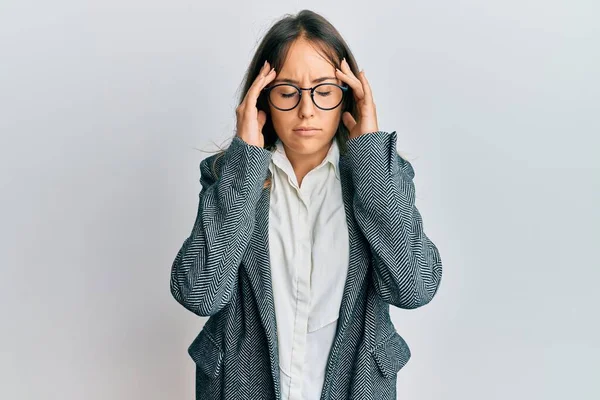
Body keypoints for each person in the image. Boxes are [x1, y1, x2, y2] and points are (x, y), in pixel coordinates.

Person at [170, 9, 443, 400]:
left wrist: (370, 160)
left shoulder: (380, 177)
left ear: (347, 96)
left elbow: (414, 288)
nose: (307, 109)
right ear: (261, 98)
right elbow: (199, 293)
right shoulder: (230, 176)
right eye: (287, 92)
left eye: (324, 90)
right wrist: (246, 160)